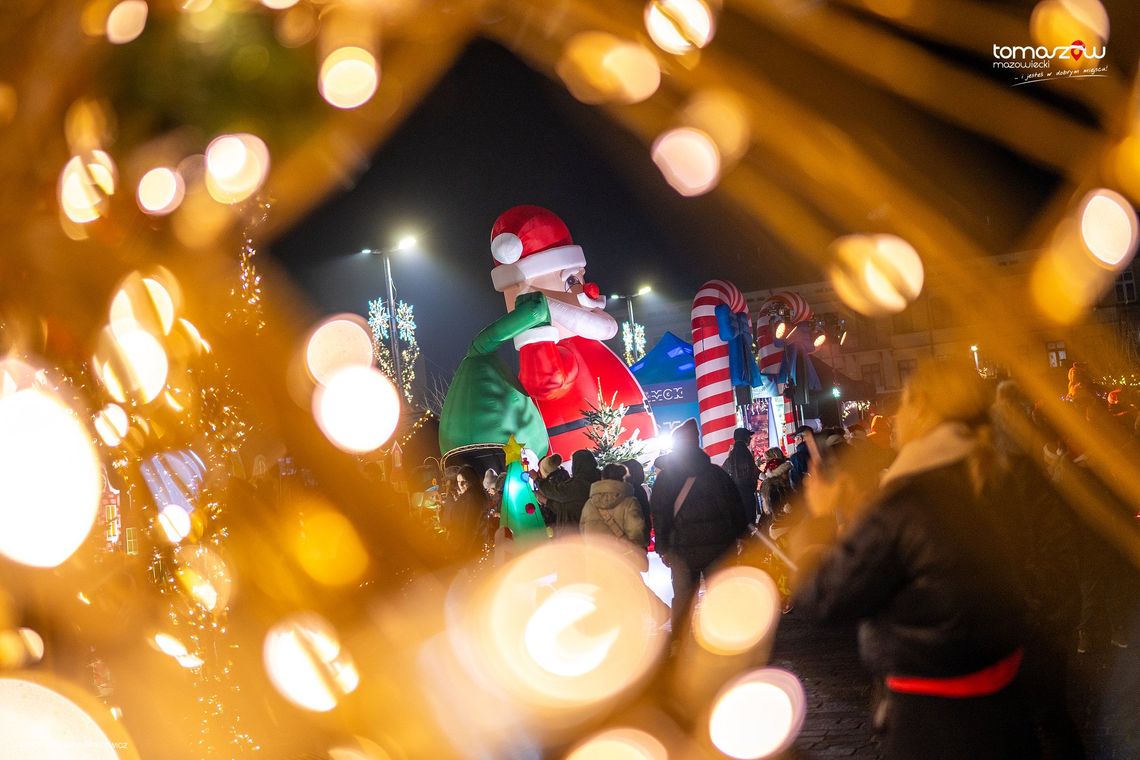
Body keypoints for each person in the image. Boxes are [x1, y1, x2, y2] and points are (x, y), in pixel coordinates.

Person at [795, 360, 1038, 760]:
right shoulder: (998, 476)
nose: (895, 418)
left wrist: (817, 519)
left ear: (923, 409)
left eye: (903, 405)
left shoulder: (904, 502)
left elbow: (823, 598)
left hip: (933, 724)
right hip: (1006, 710)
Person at [650, 418, 749, 632]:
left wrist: (663, 547)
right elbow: (734, 506)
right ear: (696, 443)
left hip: (682, 548)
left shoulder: (665, 479)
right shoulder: (716, 474)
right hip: (719, 545)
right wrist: (742, 535)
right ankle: (727, 635)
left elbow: (660, 514)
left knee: (685, 597)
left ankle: (680, 642)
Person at [580, 463, 648, 569]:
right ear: (624, 478)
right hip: (623, 562)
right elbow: (636, 531)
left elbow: (583, 532)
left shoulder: (589, 503)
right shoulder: (629, 502)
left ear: (602, 478)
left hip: (597, 562)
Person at [536, 449, 598, 534]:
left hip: (577, 531)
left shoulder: (579, 484)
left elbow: (561, 500)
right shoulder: (598, 477)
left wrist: (537, 480)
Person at [441, 465, 486, 557]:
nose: (460, 485)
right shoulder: (470, 495)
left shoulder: (471, 497)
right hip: (467, 545)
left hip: (467, 548)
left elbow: (469, 525)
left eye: (463, 481)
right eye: (458, 482)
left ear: (471, 480)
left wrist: (463, 551)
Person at [722, 428, 760, 525]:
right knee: (749, 525)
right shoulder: (744, 453)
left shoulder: (733, 454)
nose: (750, 439)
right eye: (749, 437)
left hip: (735, 497)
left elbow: (724, 472)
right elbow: (753, 470)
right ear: (745, 438)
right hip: (746, 495)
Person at [621, 459, 652, 545]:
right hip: (639, 538)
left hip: (623, 539)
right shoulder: (640, 490)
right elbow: (645, 513)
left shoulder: (621, 490)